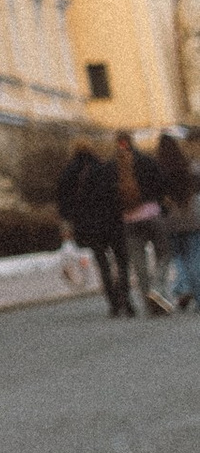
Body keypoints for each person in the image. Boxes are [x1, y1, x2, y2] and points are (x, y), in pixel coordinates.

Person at [55, 135, 136, 317]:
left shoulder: (68, 173)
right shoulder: (105, 167)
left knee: (102, 263)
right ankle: (127, 299)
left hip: (89, 226)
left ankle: (113, 303)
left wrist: (69, 227)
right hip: (113, 221)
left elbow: (64, 204)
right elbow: (118, 192)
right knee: (121, 261)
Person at [116, 131, 177, 316]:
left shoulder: (114, 166)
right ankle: (157, 288)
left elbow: (106, 197)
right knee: (164, 253)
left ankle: (148, 303)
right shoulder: (146, 161)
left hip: (129, 219)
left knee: (139, 262)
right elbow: (163, 183)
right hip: (152, 214)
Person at [152, 127, 200, 312]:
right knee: (195, 258)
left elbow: (155, 194)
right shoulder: (189, 165)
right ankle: (197, 295)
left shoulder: (157, 169)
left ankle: (183, 288)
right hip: (192, 217)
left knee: (178, 258)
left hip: (170, 220)